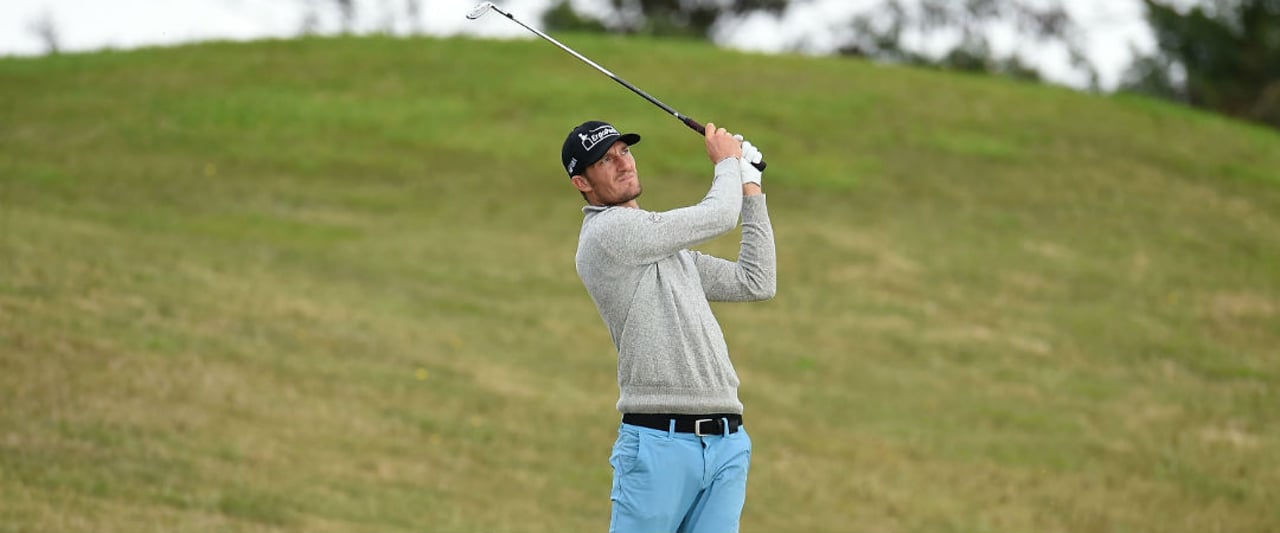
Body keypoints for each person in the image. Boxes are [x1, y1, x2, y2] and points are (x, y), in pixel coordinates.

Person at [561, 119, 777, 533]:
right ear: (581, 183)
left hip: (726, 441)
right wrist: (727, 163)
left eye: (624, 151)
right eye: (605, 160)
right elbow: (717, 216)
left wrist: (751, 186)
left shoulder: (668, 252)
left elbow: (756, 281)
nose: (622, 163)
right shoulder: (607, 234)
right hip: (658, 441)